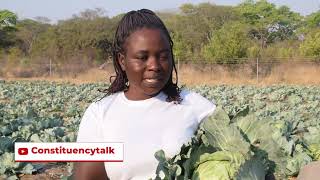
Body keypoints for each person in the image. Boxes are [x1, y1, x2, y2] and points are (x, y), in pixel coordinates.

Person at [73, 9, 216, 180]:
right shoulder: (100, 113)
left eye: (163, 56)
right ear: (122, 61)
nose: (154, 65)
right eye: (142, 57)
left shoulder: (194, 105)